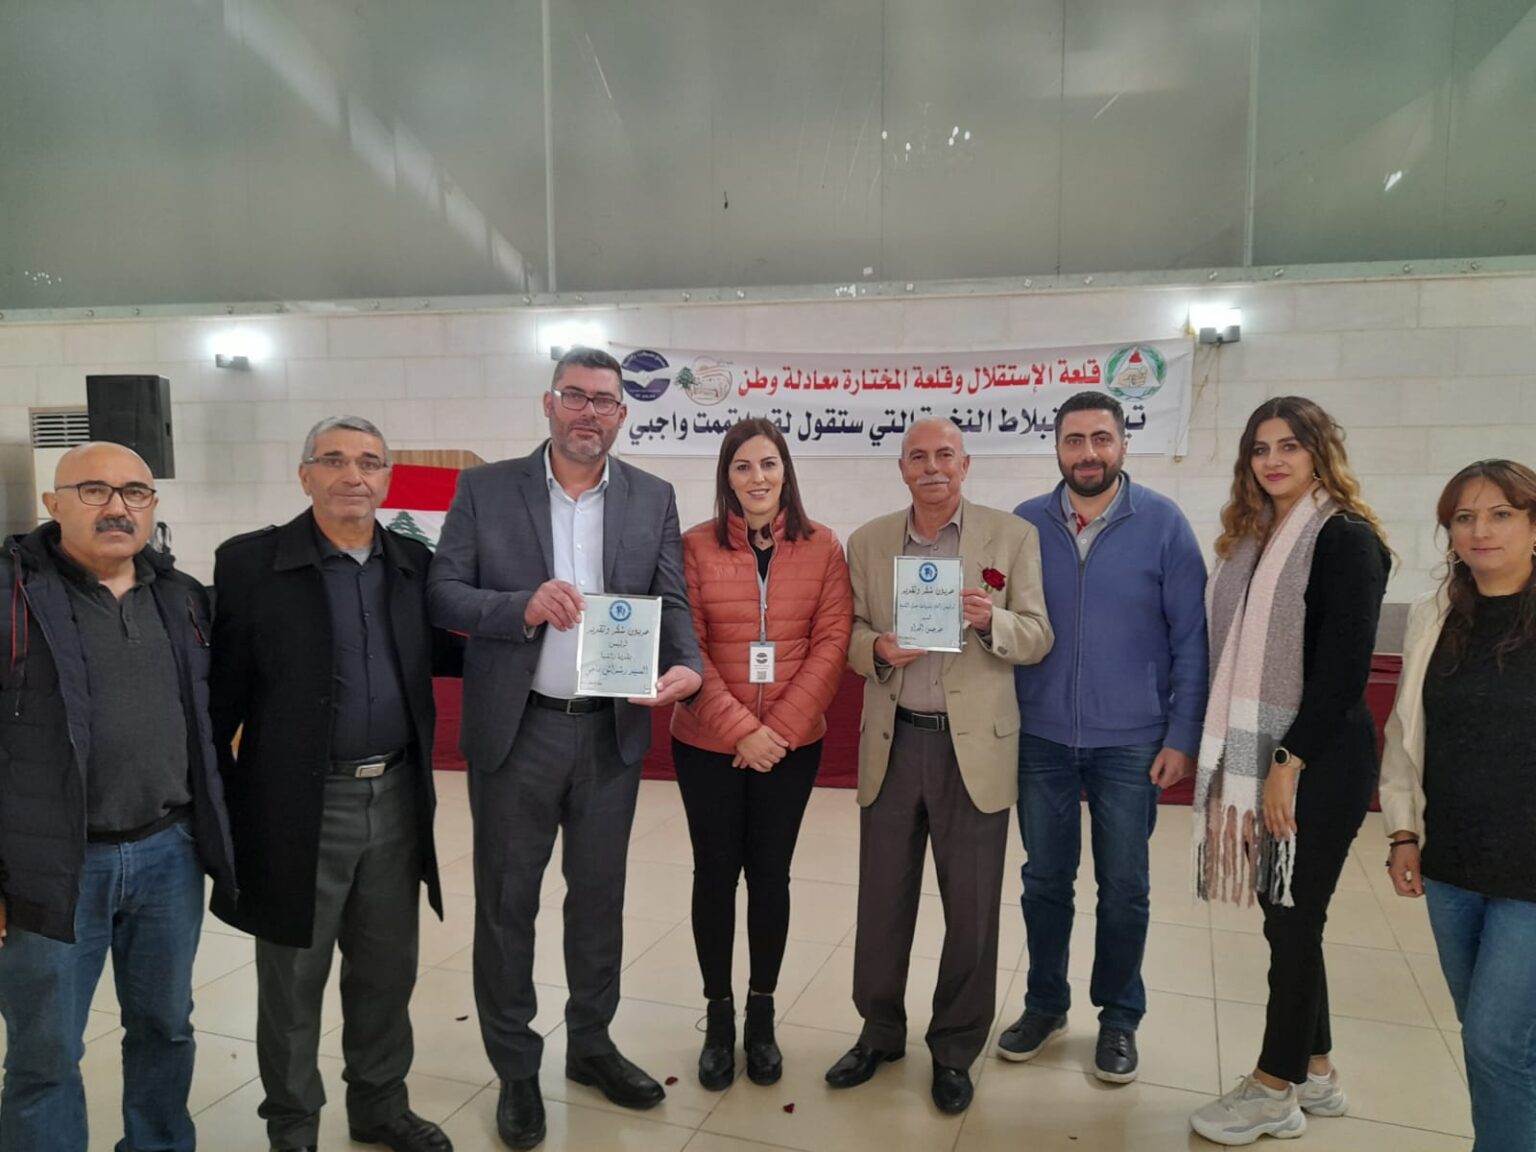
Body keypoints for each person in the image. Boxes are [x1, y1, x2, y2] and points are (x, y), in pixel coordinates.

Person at [427, 347, 703, 1151]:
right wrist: (521, 605)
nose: (589, 412)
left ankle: (591, 1044)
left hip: (610, 734)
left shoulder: (652, 495)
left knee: (599, 901)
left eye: (604, 401)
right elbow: (442, 592)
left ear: (622, 413)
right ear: (548, 405)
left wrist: (687, 664)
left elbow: (670, 598)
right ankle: (517, 1067)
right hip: (519, 731)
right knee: (507, 905)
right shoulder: (484, 490)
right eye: (575, 397)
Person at [210, 416, 457, 1152]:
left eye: (370, 462)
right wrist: (224, 814)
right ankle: (293, 1125)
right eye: (335, 460)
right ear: (305, 474)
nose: (354, 475)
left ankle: (379, 1105)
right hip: (297, 807)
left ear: (387, 478)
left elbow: (456, 652)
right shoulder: (251, 564)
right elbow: (219, 701)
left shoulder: (412, 562)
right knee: (293, 979)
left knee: (387, 973)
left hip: (397, 798)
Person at [0, 442, 237, 1152]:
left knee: (166, 1029)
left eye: (135, 492)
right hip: (50, 869)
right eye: (94, 490)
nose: (117, 507)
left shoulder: (183, 597)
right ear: (53, 503)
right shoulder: (12, 598)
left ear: (152, 506)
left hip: (169, 854)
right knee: (45, 1055)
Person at [825, 417, 1053, 1115]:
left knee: (973, 910)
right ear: (901, 468)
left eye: (945, 455)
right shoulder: (868, 542)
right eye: (918, 456)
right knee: (881, 901)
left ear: (965, 464)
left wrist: (991, 621)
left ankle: (954, 1049)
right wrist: (876, 650)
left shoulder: (1012, 537)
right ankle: (879, 1032)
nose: (932, 467)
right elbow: (848, 634)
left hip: (973, 749)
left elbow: (1037, 635)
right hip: (894, 743)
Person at [1187, 397, 1390, 1146]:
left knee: (1295, 919)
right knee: (1288, 914)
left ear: (1319, 452)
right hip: (1279, 754)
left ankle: (1275, 1087)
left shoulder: (1345, 539)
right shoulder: (1253, 540)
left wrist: (1285, 763)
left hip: (1321, 759)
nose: (1273, 460)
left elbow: (1343, 671)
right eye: (1260, 448)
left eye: (1289, 446)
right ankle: (1318, 1070)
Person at [1000, 390, 1208, 1083]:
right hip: (1041, 736)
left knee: (1123, 885)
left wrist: (1181, 734)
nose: (1087, 453)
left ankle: (1119, 1017)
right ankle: (1044, 1005)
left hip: (1132, 741)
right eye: (1074, 440)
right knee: (1044, 879)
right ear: (1057, 448)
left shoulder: (1164, 524)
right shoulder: (1025, 524)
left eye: (1101, 439)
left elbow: (1191, 639)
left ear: (1123, 444)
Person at [670, 418, 852, 1090]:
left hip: (791, 745)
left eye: (768, 464)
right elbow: (687, 644)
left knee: (770, 876)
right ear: (726, 476)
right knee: (715, 875)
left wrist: (777, 730)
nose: (757, 478)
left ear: (786, 472)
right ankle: (719, 1019)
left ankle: (762, 1016)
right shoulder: (694, 546)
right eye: (742, 466)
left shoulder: (824, 546)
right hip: (707, 743)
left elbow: (832, 643)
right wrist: (740, 730)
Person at [1380, 459, 1536, 1152]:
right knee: (1491, 1037)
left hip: (1530, 874)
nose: (1481, 531)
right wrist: (1402, 834)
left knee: (1497, 1045)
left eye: (1501, 514)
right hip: (1453, 864)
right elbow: (1405, 735)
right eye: (1464, 518)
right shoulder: (1434, 615)